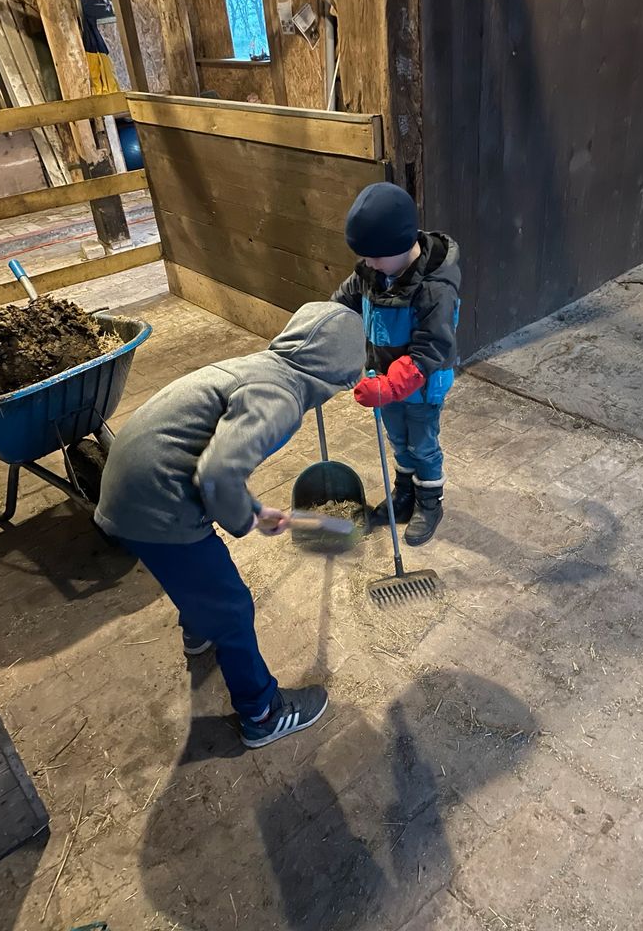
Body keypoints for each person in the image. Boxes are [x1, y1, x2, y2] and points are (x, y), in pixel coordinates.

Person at [94, 302, 365, 748]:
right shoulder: (282, 397)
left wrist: (255, 510)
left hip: (130, 485)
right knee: (233, 606)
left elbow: (211, 458)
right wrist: (245, 518)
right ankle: (262, 712)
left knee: (199, 579)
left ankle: (200, 631)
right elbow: (217, 474)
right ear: (338, 377)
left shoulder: (260, 368)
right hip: (156, 503)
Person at [332, 182, 461, 546]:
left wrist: (389, 387)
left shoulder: (435, 288)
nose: (368, 263)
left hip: (420, 387)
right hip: (383, 385)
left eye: (374, 256)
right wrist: (321, 327)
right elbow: (341, 303)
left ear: (401, 245)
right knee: (399, 442)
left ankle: (429, 503)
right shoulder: (373, 270)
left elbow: (430, 349)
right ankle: (404, 495)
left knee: (422, 446)